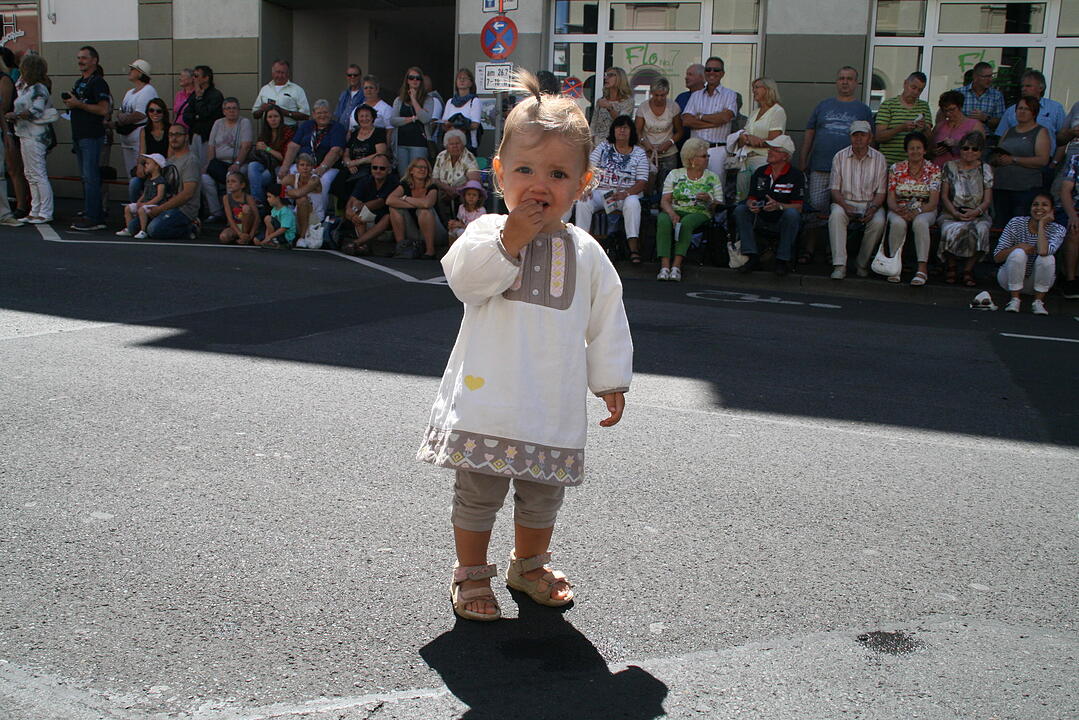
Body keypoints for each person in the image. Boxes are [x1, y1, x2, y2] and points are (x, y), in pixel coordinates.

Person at [416, 70, 632, 622]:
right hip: (490, 398)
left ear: (582, 184)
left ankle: (528, 563)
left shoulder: (585, 252)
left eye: (558, 173)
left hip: (550, 401)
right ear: (499, 174)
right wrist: (511, 241)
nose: (539, 184)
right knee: (479, 492)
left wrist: (609, 379)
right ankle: (470, 574)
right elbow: (464, 281)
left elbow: (607, 315)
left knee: (543, 492)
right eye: (525, 170)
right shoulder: (487, 231)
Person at [800, 67, 875, 263]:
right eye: (841, 78)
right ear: (836, 81)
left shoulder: (863, 109)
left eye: (849, 79)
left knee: (838, 212)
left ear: (856, 83)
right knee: (816, 209)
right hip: (820, 166)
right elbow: (810, 131)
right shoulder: (823, 105)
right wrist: (803, 158)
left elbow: (870, 140)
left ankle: (831, 251)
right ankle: (809, 249)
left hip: (849, 170)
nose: (845, 82)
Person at [574, 114, 649, 264]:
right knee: (584, 201)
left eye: (625, 127)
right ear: (613, 131)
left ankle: (633, 248)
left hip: (626, 193)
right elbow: (589, 168)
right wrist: (587, 187)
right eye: (618, 127)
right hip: (601, 191)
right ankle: (580, 244)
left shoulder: (639, 152)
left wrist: (626, 193)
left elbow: (642, 181)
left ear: (631, 131)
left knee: (633, 203)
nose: (622, 131)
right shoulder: (603, 147)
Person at [732, 134, 804, 276]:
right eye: (769, 149)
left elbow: (799, 207)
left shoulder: (796, 175)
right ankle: (751, 256)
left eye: (774, 150)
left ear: (785, 156)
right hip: (760, 217)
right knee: (741, 210)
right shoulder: (760, 172)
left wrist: (779, 206)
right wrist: (752, 204)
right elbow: (750, 198)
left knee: (792, 214)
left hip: (781, 220)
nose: (769, 152)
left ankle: (782, 260)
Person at [656, 137, 722, 281]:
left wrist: (709, 200)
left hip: (700, 211)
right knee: (663, 219)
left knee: (687, 222)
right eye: (704, 156)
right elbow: (664, 201)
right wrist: (672, 213)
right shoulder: (675, 174)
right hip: (675, 208)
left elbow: (718, 205)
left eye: (707, 156)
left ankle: (676, 266)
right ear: (692, 158)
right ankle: (664, 266)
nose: (707, 159)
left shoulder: (713, 178)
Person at [827, 120, 886, 279]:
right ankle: (840, 265)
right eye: (855, 135)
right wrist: (845, 206)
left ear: (870, 137)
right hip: (844, 201)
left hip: (870, 203)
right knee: (836, 216)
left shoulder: (880, 159)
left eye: (863, 135)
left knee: (879, 221)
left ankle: (862, 263)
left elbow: (881, 193)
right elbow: (834, 189)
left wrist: (873, 208)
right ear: (850, 137)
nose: (859, 138)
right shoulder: (839, 156)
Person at [63, 46, 111, 232]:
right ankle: (92, 211)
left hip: (91, 135)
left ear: (94, 60)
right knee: (86, 177)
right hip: (79, 134)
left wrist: (79, 104)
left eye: (84, 58)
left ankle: (94, 217)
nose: (80, 61)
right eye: (78, 58)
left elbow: (103, 109)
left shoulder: (98, 83)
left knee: (91, 176)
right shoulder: (80, 82)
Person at [884, 131, 940, 285]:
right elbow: (890, 198)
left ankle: (922, 269)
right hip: (900, 208)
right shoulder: (896, 168)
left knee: (920, 223)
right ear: (906, 150)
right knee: (897, 223)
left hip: (925, 208)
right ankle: (894, 266)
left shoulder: (933, 170)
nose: (915, 151)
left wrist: (917, 212)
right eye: (911, 148)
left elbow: (934, 201)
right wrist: (898, 210)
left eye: (918, 148)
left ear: (924, 150)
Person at [937, 131, 993, 287]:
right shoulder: (949, 166)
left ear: (980, 151)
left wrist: (976, 212)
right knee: (950, 229)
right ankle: (951, 266)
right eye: (966, 148)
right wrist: (954, 212)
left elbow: (988, 199)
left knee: (981, 230)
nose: (969, 152)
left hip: (978, 213)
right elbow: (944, 196)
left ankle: (968, 269)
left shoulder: (985, 169)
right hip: (952, 212)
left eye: (975, 149)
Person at [994, 193, 1064, 314]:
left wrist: (1042, 224)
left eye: (1045, 205)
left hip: (1036, 281)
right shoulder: (1016, 223)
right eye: (1035, 204)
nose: (1039, 208)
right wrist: (1018, 247)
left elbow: (1043, 251)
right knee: (1019, 253)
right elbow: (997, 257)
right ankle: (1014, 299)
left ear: (1052, 210)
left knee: (1047, 258)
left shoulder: (1057, 229)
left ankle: (1038, 302)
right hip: (1009, 278)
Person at [7, 53, 57, 225]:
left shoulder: (38, 89)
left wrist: (16, 115)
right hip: (25, 134)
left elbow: (36, 110)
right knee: (30, 174)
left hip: (36, 136)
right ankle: (35, 209)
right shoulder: (27, 87)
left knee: (38, 173)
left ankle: (45, 211)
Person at [278, 99, 346, 221]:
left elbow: (335, 150)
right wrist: (284, 166)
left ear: (330, 114)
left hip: (328, 167)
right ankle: (289, 212)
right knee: (284, 176)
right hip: (304, 164)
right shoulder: (306, 126)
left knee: (323, 181)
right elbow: (293, 146)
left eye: (325, 112)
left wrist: (322, 168)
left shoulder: (337, 128)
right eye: (319, 113)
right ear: (313, 114)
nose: (322, 116)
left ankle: (317, 215)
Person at [990, 95, 1050, 227]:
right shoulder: (1008, 131)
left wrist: (1013, 159)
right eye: (1019, 108)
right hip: (1001, 186)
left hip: (1025, 189)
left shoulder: (1040, 132)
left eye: (1026, 109)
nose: (1022, 111)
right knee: (1000, 224)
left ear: (1034, 112)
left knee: (1020, 226)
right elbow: (999, 152)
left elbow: (1042, 160)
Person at [134, 123, 200, 239]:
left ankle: (192, 226)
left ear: (186, 137)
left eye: (178, 134)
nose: (173, 138)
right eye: (170, 135)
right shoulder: (169, 161)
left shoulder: (191, 161)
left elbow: (187, 194)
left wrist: (160, 209)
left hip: (183, 210)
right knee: (133, 227)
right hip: (165, 205)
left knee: (154, 230)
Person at [682, 56, 739, 179]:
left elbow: (725, 118)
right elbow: (686, 121)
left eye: (716, 70)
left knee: (716, 188)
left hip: (717, 150)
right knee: (693, 185)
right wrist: (713, 123)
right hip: (695, 150)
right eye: (708, 69)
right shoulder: (695, 95)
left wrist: (700, 116)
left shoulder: (730, 95)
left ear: (722, 73)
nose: (712, 72)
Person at [731, 76, 786, 201]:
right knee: (741, 197)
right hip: (746, 160)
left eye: (757, 87)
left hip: (764, 160)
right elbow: (743, 136)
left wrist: (749, 139)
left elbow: (774, 139)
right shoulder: (754, 112)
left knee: (760, 196)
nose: (753, 91)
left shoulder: (777, 111)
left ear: (768, 89)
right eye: (752, 88)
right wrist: (746, 138)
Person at [200, 97, 253, 221]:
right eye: (228, 108)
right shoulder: (218, 123)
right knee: (205, 178)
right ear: (223, 111)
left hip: (238, 163)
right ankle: (216, 212)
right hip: (219, 163)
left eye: (234, 108)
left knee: (231, 176)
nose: (231, 111)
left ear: (238, 110)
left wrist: (237, 163)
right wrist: (210, 164)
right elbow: (211, 146)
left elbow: (246, 146)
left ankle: (233, 213)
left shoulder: (244, 123)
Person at [387, 155, 445, 259]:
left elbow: (427, 203)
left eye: (425, 168)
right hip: (414, 231)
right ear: (411, 170)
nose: (422, 170)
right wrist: (416, 204)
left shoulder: (432, 186)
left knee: (424, 211)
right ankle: (402, 247)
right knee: (394, 209)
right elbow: (390, 200)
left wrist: (406, 198)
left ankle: (430, 251)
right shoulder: (405, 185)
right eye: (419, 167)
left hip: (435, 232)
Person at [331, 104, 388, 210]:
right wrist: (348, 164)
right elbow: (346, 153)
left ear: (372, 117)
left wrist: (356, 162)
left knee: (356, 183)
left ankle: (354, 211)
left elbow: (380, 154)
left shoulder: (378, 132)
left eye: (367, 116)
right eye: (361, 116)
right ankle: (341, 214)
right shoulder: (354, 133)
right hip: (352, 166)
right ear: (357, 118)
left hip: (369, 167)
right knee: (337, 182)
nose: (364, 119)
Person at [996, 70, 1065, 157]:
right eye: (1022, 86)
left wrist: (1054, 163)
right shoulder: (1011, 111)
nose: (1024, 89)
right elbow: (1001, 137)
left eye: (1028, 86)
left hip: (1045, 162)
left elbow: (1063, 139)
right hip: (1013, 161)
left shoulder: (1055, 108)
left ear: (1041, 88)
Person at [634, 77, 683, 196]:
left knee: (666, 189)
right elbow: (637, 131)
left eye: (663, 95)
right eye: (656, 95)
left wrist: (669, 143)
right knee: (645, 187)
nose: (659, 98)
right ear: (651, 93)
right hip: (647, 152)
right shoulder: (643, 107)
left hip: (668, 153)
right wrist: (645, 143)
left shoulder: (673, 107)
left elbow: (679, 131)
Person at [342, 152, 396, 256]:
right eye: (375, 168)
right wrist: (351, 213)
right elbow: (351, 201)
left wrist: (359, 206)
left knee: (387, 217)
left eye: (382, 168)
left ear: (389, 170)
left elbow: (380, 202)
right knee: (358, 213)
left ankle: (358, 243)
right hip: (366, 217)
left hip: (384, 219)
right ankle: (364, 246)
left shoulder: (393, 182)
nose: (378, 171)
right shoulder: (365, 181)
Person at [875, 71, 932, 165]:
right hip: (889, 163)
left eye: (920, 90)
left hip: (915, 167)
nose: (915, 92)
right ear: (905, 83)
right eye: (913, 87)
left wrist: (925, 128)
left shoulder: (924, 106)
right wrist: (901, 128)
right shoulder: (888, 104)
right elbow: (879, 137)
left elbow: (930, 140)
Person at [390, 66, 438, 177]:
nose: (415, 80)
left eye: (418, 78)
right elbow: (393, 120)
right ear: (407, 80)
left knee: (417, 176)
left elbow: (425, 118)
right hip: (401, 143)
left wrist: (414, 99)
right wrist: (412, 119)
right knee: (403, 176)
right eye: (411, 78)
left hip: (419, 143)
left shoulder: (428, 99)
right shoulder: (399, 100)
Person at [115, 59, 158, 178]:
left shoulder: (148, 90)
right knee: (131, 174)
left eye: (133, 69)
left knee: (141, 172)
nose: (130, 71)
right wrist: (122, 117)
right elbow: (120, 111)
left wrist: (123, 119)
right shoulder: (129, 92)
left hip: (138, 139)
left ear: (140, 73)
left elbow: (140, 114)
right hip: (126, 139)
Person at [431, 128, 481, 220]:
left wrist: (457, 190)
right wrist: (447, 188)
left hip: (462, 191)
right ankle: (443, 226)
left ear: (463, 144)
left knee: (467, 196)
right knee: (434, 194)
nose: (455, 146)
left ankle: (461, 223)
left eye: (457, 143)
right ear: (446, 146)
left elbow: (474, 180)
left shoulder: (469, 157)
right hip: (443, 189)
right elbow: (435, 179)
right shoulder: (441, 156)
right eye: (451, 144)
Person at [1, 54, 28, 217]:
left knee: (14, 168)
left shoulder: (5, 79)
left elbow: (3, 106)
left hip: (9, 127)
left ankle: (21, 205)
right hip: (8, 126)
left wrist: (7, 132)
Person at [247, 104, 293, 202]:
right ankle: (258, 201)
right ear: (266, 119)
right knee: (252, 166)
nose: (273, 119)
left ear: (281, 118)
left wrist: (267, 149)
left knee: (260, 179)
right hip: (265, 163)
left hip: (279, 166)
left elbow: (284, 157)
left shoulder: (288, 132)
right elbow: (259, 153)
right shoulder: (265, 132)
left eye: (276, 116)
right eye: (270, 117)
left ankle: (261, 202)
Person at [116, 154, 167, 238]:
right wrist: (139, 201)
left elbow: (159, 197)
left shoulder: (160, 181)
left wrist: (146, 203)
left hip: (155, 205)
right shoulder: (148, 179)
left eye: (148, 163)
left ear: (156, 166)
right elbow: (145, 193)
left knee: (141, 210)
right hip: (146, 203)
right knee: (128, 208)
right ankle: (130, 229)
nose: (145, 165)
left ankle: (143, 230)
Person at [183, 65, 224, 166]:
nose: (194, 79)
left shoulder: (215, 95)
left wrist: (200, 98)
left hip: (207, 136)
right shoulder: (195, 95)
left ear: (206, 78)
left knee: (205, 165)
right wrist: (196, 117)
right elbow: (186, 115)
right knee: (193, 164)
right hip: (194, 134)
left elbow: (205, 114)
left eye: (196, 76)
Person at [930, 90, 984, 166]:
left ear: (960, 107)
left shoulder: (974, 125)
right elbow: (929, 148)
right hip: (938, 169)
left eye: (952, 109)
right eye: (945, 111)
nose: (948, 113)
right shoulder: (939, 126)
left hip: (962, 171)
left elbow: (979, 150)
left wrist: (958, 143)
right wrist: (934, 151)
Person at [252, 59, 310, 127]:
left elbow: (306, 116)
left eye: (283, 73)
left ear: (288, 73)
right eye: (277, 72)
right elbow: (255, 115)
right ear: (272, 73)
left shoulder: (297, 90)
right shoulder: (265, 89)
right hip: (268, 131)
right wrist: (262, 110)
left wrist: (285, 112)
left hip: (289, 130)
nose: (280, 76)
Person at [954, 61, 1003, 133]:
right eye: (985, 77)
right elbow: (949, 116)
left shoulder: (997, 95)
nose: (989, 79)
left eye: (991, 76)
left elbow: (1000, 122)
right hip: (961, 135)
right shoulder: (959, 93)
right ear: (975, 76)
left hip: (986, 138)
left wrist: (985, 118)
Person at [590, 66, 634, 146]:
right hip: (598, 144)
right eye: (606, 75)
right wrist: (592, 142)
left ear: (620, 78)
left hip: (616, 144)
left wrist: (609, 108)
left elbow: (622, 121)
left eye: (610, 75)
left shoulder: (628, 101)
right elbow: (593, 124)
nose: (606, 78)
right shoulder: (601, 100)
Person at [441, 68, 483, 152]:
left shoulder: (474, 101)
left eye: (465, 78)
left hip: (467, 145)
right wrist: (448, 125)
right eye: (459, 78)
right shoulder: (450, 102)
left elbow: (475, 125)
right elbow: (443, 124)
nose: (462, 80)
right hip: (450, 144)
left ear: (471, 83)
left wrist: (457, 126)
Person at [280, 153, 320, 238]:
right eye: (302, 165)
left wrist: (288, 192)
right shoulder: (292, 178)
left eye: (308, 165)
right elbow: (277, 190)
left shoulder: (315, 179)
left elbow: (299, 193)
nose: (305, 168)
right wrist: (287, 193)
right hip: (298, 215)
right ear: (297, 167)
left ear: (312, 168)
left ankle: (302, 237)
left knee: (301, 200)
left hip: (315, 217)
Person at [218, 171, 259, 245]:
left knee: (246, 208)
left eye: (233, 181)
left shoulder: (248, 197)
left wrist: (252, 233)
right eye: (228, 181)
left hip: (248, 225)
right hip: (235, 226)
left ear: (242, 185)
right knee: (223, 237)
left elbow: (256, 217)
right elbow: (229, 218)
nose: (230, 184)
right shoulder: (226, 198)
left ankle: (245, 236)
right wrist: (239, 233)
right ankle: (241, 237)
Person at [258, 182, 298, 249]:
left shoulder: (285, 211)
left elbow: (284, 228)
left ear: (278, 197)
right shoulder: (273, 210)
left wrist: (269, 237)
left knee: (267, 218)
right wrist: (266, 238)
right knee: (256, 240)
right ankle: (273, 242)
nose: (267, 199)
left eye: (269, 197)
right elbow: (269, 226)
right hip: (277, 235)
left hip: (286, 236)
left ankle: (282, 243)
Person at [447, 179, 487, 244]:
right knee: (452, 231)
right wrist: (454, 223)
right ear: (464, 196)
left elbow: (478, 229)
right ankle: (452, 250)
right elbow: (461, 221)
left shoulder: (481, 210)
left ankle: (465, 252)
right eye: (468, 194)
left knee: (461, 232)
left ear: (479, 197)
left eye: (474, 195)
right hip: (463, 229)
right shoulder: (461, 207)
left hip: (476, 235)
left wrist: (461, 225)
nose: (471, 197)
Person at [173, 68, 195, 133]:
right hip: (178, 130)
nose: (180, 78)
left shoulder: (196, 95)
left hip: (190, 130)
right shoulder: (179, 94)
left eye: (182, 76)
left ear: (191, 79)